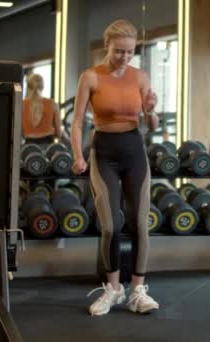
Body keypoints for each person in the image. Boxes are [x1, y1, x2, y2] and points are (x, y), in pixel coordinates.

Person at [71, 19, 160, 316]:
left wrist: (151, 110)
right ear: (107, 46)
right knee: (110, 225)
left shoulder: (141, 76)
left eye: (130, 51)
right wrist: (78, 155)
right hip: (104, 152)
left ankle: (137, 290)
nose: (124, 57)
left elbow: (152, 124)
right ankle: (113, 290)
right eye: (119, 51)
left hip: (135, 150)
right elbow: (77, 122)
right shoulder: (91, 77)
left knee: (139, 223)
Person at [22, 73, 62, 145]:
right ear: (43, 87)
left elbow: (20, 133)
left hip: (29, 148)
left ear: (28, 88)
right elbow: (58, 134)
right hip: (48, 148)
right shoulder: (52, 104)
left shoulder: (22, 105)